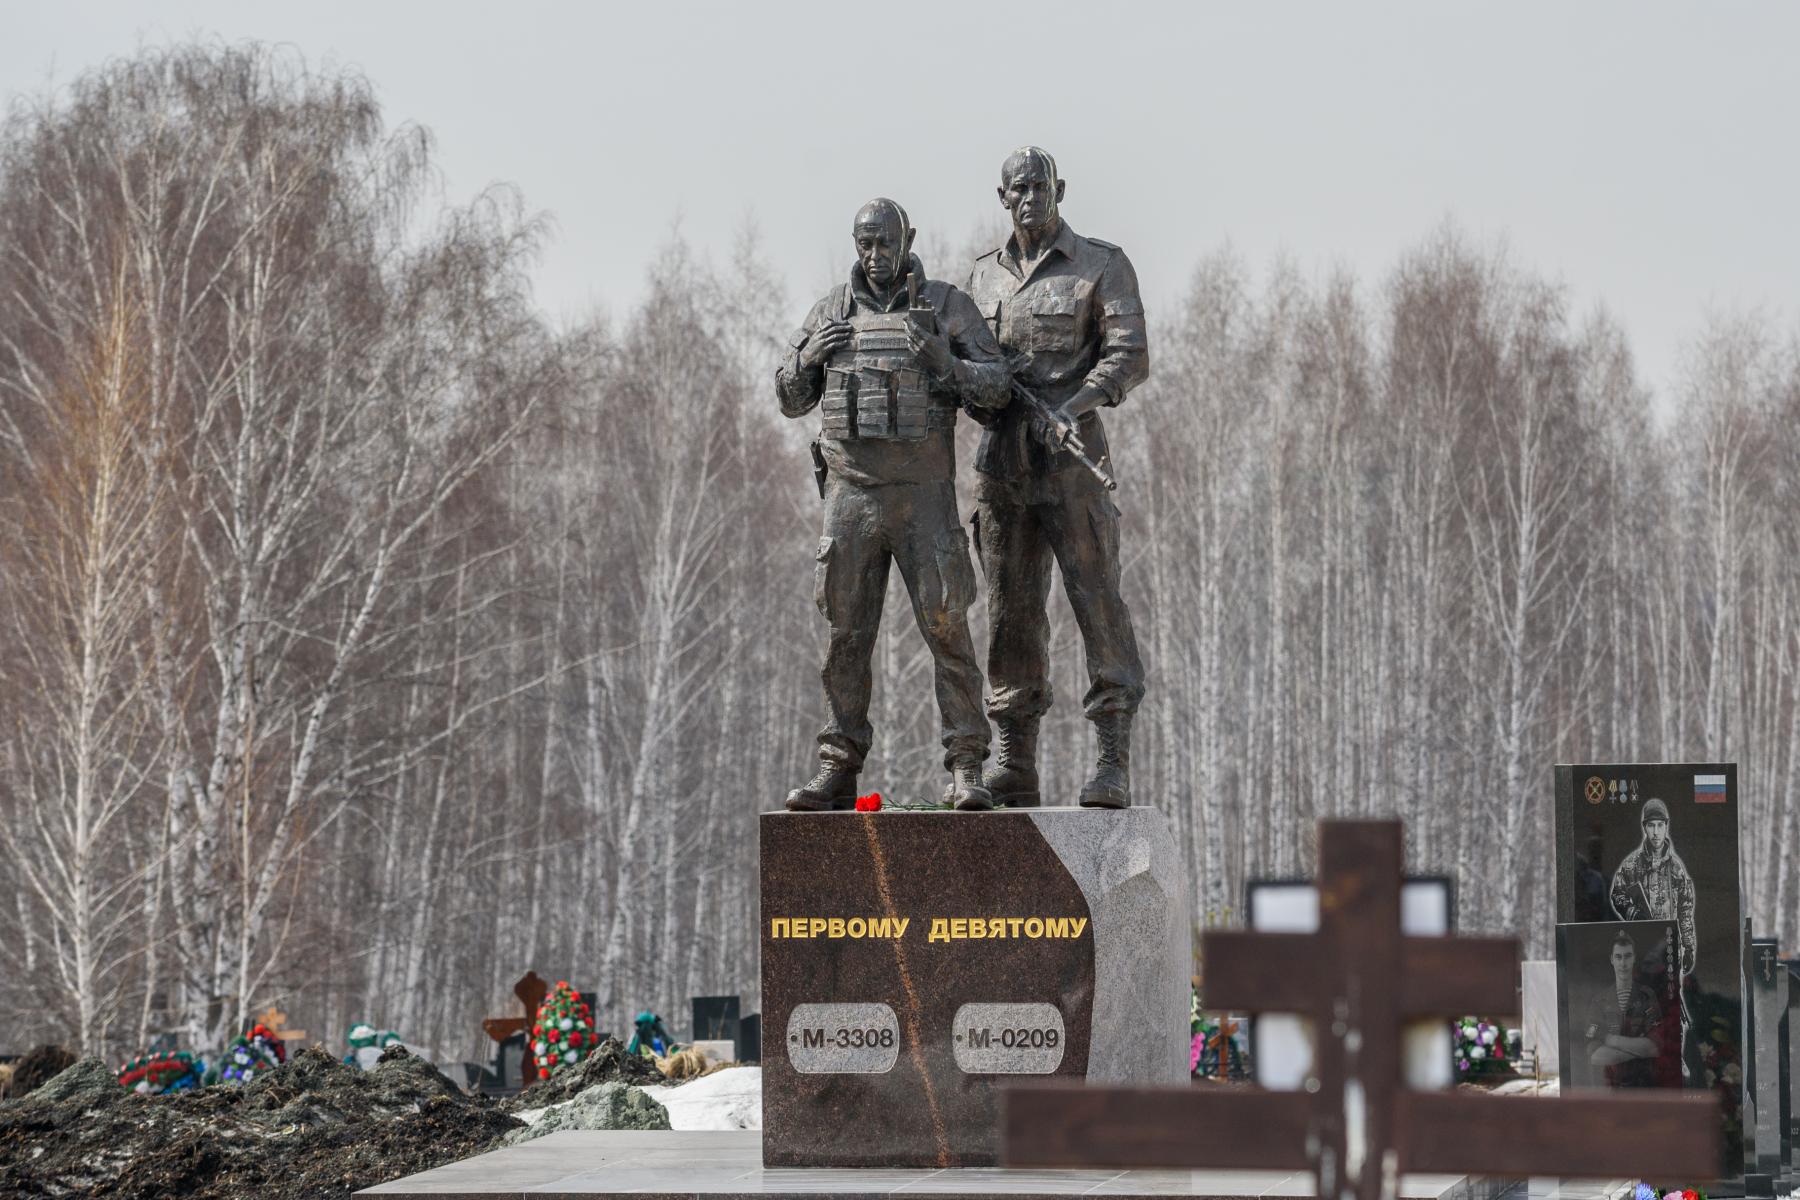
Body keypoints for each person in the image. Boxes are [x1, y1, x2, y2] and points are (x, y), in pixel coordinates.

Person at [777, 198, 1011, 811]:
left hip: (924, 500)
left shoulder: (946, 306)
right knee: (844, 636)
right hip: (850, 498)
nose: (874, 257)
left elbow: (997, 388)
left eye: (884, 243)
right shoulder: (831, 309)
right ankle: (838, 765)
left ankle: (966, 765)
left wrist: (944, 360)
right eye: (864, 244)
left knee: (947, 629)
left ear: (908, 239)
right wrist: (808, 359)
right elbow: (788, 396)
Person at [963, 146, 1149, 809]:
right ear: (1003, 196)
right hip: (1003, 472)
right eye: (1019, 188)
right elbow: (964, 367)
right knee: (1010, 617)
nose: (1031, 197)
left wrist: (1069, 408)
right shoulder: (981, 278)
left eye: (1041, 186)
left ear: (1059, 190)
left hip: (1073, 468)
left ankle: (1111, 759)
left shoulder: (1101, 265)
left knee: (1099, 606)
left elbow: (1130, 356)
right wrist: (981, 391)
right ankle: (1014, 759)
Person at [1608, 799, 1697, 976]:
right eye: (1651, 826)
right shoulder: (1632, 865)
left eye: (1659, 825)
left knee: (1670, 996)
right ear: (1644, 827)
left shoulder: (1676, 869)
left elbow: (1685, 911)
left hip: (1669, 949)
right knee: (1641, 995)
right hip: (1641, 946)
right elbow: (1617, 894)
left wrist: (1688, 947)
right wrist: (1632, 912)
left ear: (1666, 826)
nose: (1655, 832)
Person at [1581, 929, 1667, 1088]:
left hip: (1644, 1087)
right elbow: (1595, 1055)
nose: (1623, 963)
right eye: (1618, 957)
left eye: (1627, 956)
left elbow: (1654, 1047)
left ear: (1634, 958)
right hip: (1611, 1088)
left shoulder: (1647, 996)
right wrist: (1638, 1051)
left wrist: (1612, 1040)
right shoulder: (1600, 1001)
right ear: (1611, 960)